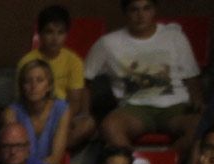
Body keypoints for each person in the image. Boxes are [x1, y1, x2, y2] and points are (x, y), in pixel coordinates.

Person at [84, 0, 203, 154]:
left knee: (201, 125)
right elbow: (84, 79)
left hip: (175, 106)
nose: (141, 15)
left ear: (154, 11)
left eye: (146, 9)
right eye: (134, 10)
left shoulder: (174, 37)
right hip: (134, 108)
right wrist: (84, 112)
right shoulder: (107, 43)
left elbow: (192, 76)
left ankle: (165, 163)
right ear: (126, 14)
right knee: (109, 126)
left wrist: (199, 101)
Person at [2, 57, 71, 164]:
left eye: (39, 80)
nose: (33, 86)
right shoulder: (12, 112)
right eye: (27, 81)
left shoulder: (61, 109)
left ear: (49, 85)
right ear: (22, 86)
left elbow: (55, 157)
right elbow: (13, 152)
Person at [16, 6, 95, 156]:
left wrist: (60, 125)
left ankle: (50, 150)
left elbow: (75, 102)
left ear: (66, 34)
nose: (54, 38)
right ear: (40, 34)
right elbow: (22, 98)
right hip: (34, 113)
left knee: (87, 125)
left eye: (60, 33)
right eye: (49, 32)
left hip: (61, 115)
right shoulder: (27, 61)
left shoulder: (74, 61)